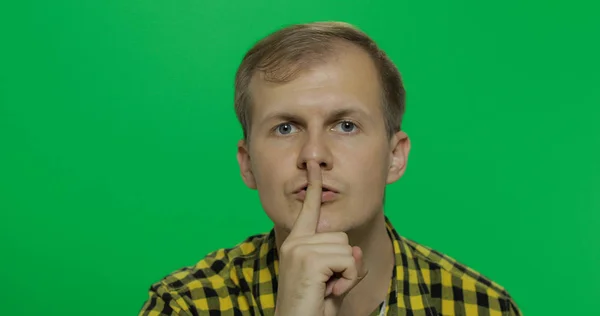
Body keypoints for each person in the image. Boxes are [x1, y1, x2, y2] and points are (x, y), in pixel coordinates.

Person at [139, 21, 521, 316]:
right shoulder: (185, 305)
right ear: (248, 164)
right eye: (285, 128)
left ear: (396, 156)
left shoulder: (482, 306)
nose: (314, 155)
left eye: (346, 125)